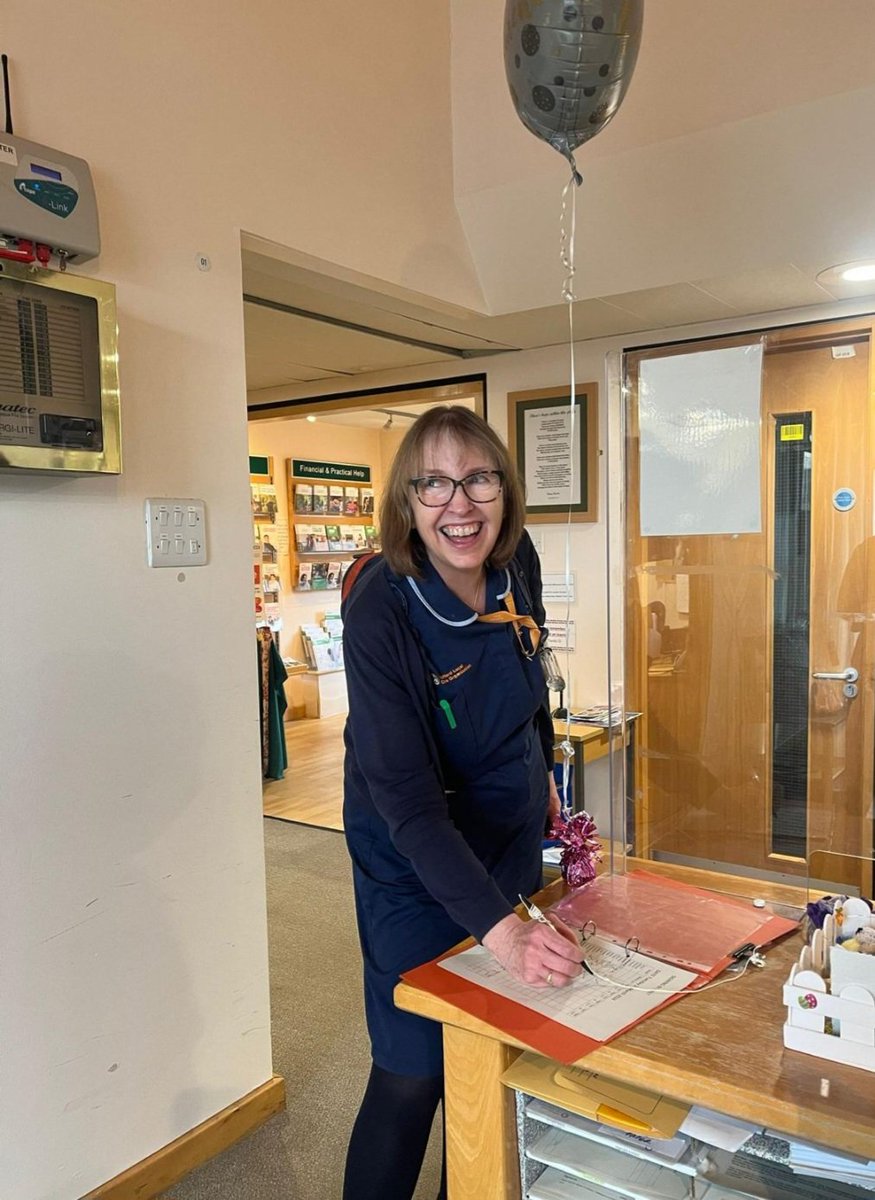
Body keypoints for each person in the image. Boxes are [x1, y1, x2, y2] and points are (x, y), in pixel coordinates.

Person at [341, 406, 583, 1200]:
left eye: (478, 478)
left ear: (505, 492)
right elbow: (407, 803)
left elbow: (531, 664)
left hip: (502, 832)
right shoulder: (382, 605)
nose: (460, 504)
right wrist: (505, 935)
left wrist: (542, 765)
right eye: (434, 483)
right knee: (414, 1067)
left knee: (486, 1050)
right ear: (407, 503)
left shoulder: (519, 562)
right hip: (410, 856)